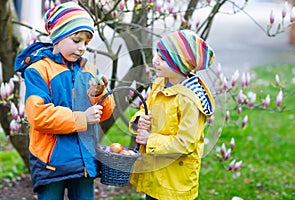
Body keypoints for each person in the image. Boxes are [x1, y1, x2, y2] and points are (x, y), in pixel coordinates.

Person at [14, 2, 115, 200]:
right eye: (76, 40)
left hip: (84, 160)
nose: (81, 48)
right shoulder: (39, 70)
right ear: (58, 37)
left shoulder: (89, 70)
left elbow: (106, 113)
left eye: (86, 43)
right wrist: (81, 118)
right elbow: (38, 116)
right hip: (51, 162)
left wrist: (99, 95)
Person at [129, 29, 215, 200]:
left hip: (174, 180)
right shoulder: (161, 83)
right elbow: (147, 108)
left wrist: (150, 140)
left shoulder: (190, 99)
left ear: (180, 65)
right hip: (155, 173)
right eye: (157, 55)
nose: (155, 61)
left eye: (163, 59)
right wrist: (141, 120)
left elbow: (185, 143)